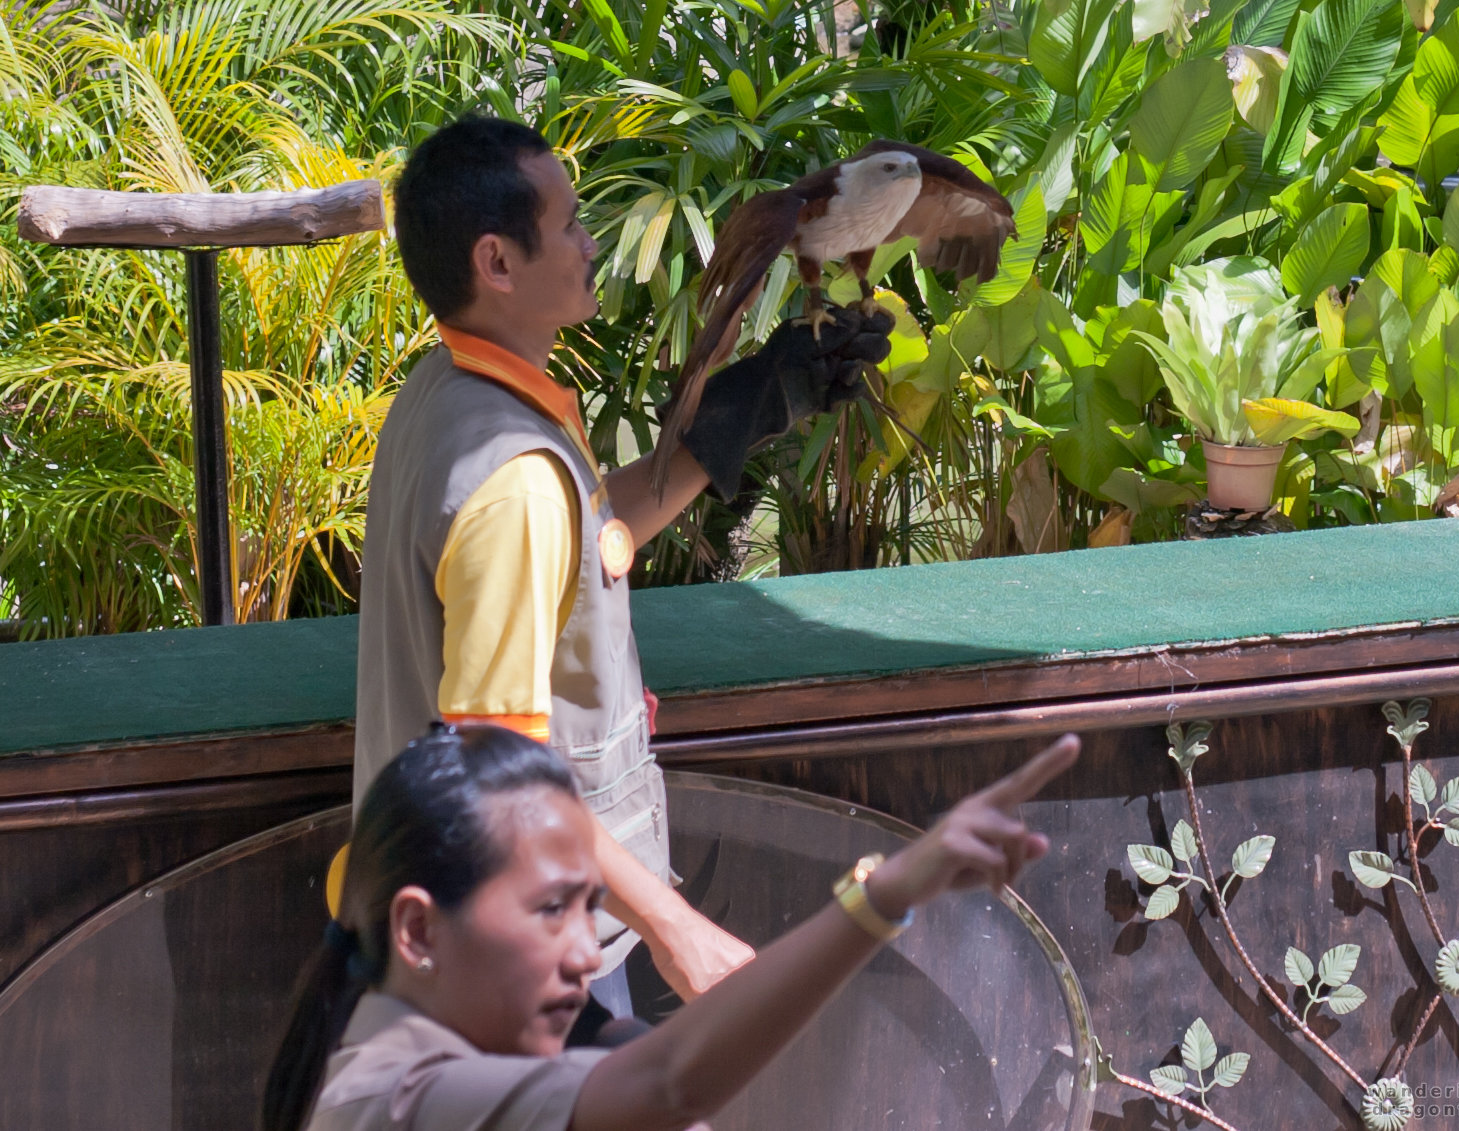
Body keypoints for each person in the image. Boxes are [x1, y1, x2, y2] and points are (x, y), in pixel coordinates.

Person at [353, 114, 895, 1026]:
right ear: (497, 262)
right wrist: (677, 926)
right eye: (568, 224)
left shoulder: (450, 395)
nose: (591, 241)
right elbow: (503, 772)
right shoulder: (513, 480)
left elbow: (593, 535)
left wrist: (744, 413)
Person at [262, 724, 1079, 1131]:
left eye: (593, 905)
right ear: (418, 930)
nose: (585, 954)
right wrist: (887, 892)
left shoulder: (411, 1044)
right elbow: (668, 1082)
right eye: (551, 910)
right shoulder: (397, 1098)